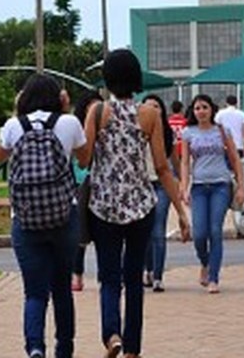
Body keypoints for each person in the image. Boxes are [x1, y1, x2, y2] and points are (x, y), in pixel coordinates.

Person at [80, 49, 189, 358]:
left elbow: (85, 159)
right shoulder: (150, 114)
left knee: (109, 276)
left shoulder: (97, 112)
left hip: (103, 206)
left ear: (108, 79)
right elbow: (162, 166)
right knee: (133, 278)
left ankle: (112, 335)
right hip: (141, 204)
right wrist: (181, 211)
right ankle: (133, 349)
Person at [0, 74, 89, 358]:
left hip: (25, 218)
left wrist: (16, 115)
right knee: (62, 289)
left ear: (23, 98)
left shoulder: (14, 125)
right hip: (63, 215)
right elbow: (84, 159)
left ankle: (35, 348)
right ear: (59, 97)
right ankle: (65, 350)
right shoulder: (69, 123)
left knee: (34, 293)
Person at [180, 93, 244, 295]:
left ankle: (214, 277)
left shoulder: (222, 131)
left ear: (212, 110)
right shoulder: (187, 133)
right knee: (199, 233)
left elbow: (235, 159)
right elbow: (184, 162)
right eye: (197, 108)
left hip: (220, 185)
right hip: (199, 186)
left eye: (204, 107)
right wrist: (184, 187)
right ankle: (205, 262)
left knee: (215, 230)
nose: (201, 111)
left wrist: (241, 186)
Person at [141, 94, 175, 293]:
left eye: (157, 106)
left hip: (161, 186)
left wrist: (178, 186)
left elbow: (172, 163)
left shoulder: (167, 135)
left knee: (158, 231)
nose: (153, 110)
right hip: (142, 186)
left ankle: (158, 276)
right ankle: (147, 269)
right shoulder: (136, 132)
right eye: (149, 106)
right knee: (143, 233)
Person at [70, 90, 103, 293]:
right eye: (91, 106)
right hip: (80, 183)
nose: (95, 110)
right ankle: (77, 273)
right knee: (80, 231)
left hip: (101, 183)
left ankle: (103, 274)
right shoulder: (76, 129)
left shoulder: (107, 128)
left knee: (103, 231)